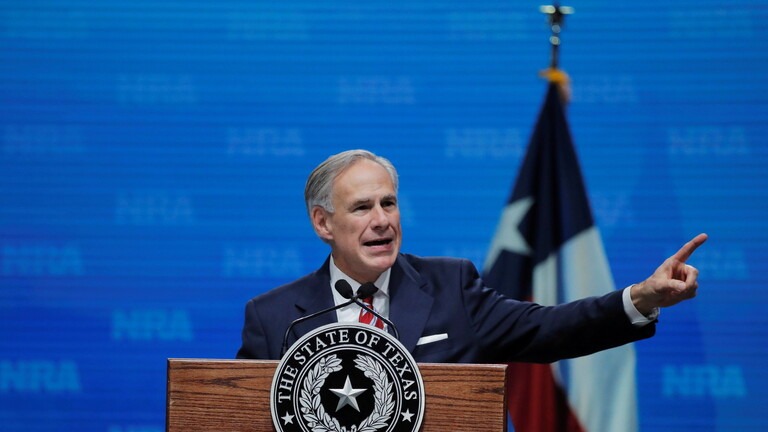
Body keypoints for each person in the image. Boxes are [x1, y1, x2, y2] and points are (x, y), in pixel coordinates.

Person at [236, 149, 707, 363]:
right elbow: (240, 414)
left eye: (389, 203)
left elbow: (550, 328)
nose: (382, 220)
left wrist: (641, 297)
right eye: (362, 208)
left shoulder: (451, 287)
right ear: (323, 223)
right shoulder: (274, 318)